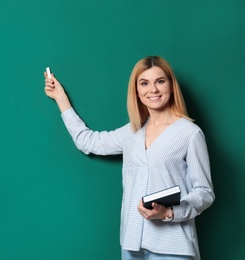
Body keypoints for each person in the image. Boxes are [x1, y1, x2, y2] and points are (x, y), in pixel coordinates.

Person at [43, 56, 215, 260]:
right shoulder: (132, 132)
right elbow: (87, 141)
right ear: (137, 91)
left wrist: (168, 212)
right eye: (144, 83)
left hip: (173, 246)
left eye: (160, 81)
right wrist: (61, 98)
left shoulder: (190, 133)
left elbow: (204, 192)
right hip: (132, 245)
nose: (153, 89)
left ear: (171, 86)